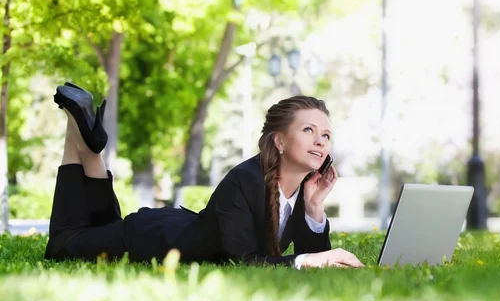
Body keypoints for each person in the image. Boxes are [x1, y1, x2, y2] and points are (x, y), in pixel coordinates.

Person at [44, 83, 364, 269]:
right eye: (309, 130)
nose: (321, 141)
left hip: (174, 227)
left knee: (100, 227)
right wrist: (306, 262)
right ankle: (84, 141)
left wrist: (314, 207)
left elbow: (316, 252)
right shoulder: (245, 180)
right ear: (279, 141)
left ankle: (86, 143)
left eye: (326, 135)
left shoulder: (299, 193)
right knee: (61, 245)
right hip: (151, 240)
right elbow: (243, 261)